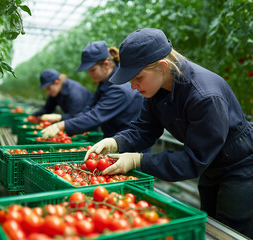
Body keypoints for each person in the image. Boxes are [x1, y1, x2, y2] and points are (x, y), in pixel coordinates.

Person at [84, 28, 253, 238]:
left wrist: (139, 160)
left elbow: (193, 160)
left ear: (162, 66)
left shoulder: (204, 96)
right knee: (209, 223)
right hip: (210, 164)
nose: (133, 86)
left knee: (230, 231)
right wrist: (116, 141)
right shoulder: (156, 89)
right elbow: (144, 129)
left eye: (138, 77)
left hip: (241, 166)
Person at [40, 41, 144, 139]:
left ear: (106, 65)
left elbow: (95, 116)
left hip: (130, 147)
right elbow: (88, 110)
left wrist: (61, 125)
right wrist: (62, 119)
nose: (90, 75)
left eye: (93, 70)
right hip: (115, 141)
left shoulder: (119, 89)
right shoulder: (105, 83)